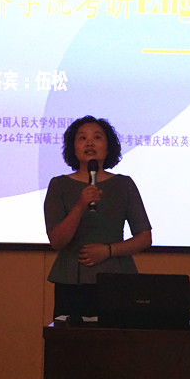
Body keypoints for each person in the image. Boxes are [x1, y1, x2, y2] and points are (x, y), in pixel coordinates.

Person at [44, 115, 152, 319]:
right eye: (82, 138)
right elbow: (57, 241)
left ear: (108, 147)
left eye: (97, 137)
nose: (90, 143)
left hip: (116, 277)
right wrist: (80, 205)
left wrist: (108, 251)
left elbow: (144, 238)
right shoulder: (59, 185)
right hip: (71, 280)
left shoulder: (124, 184)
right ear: (73, 147)